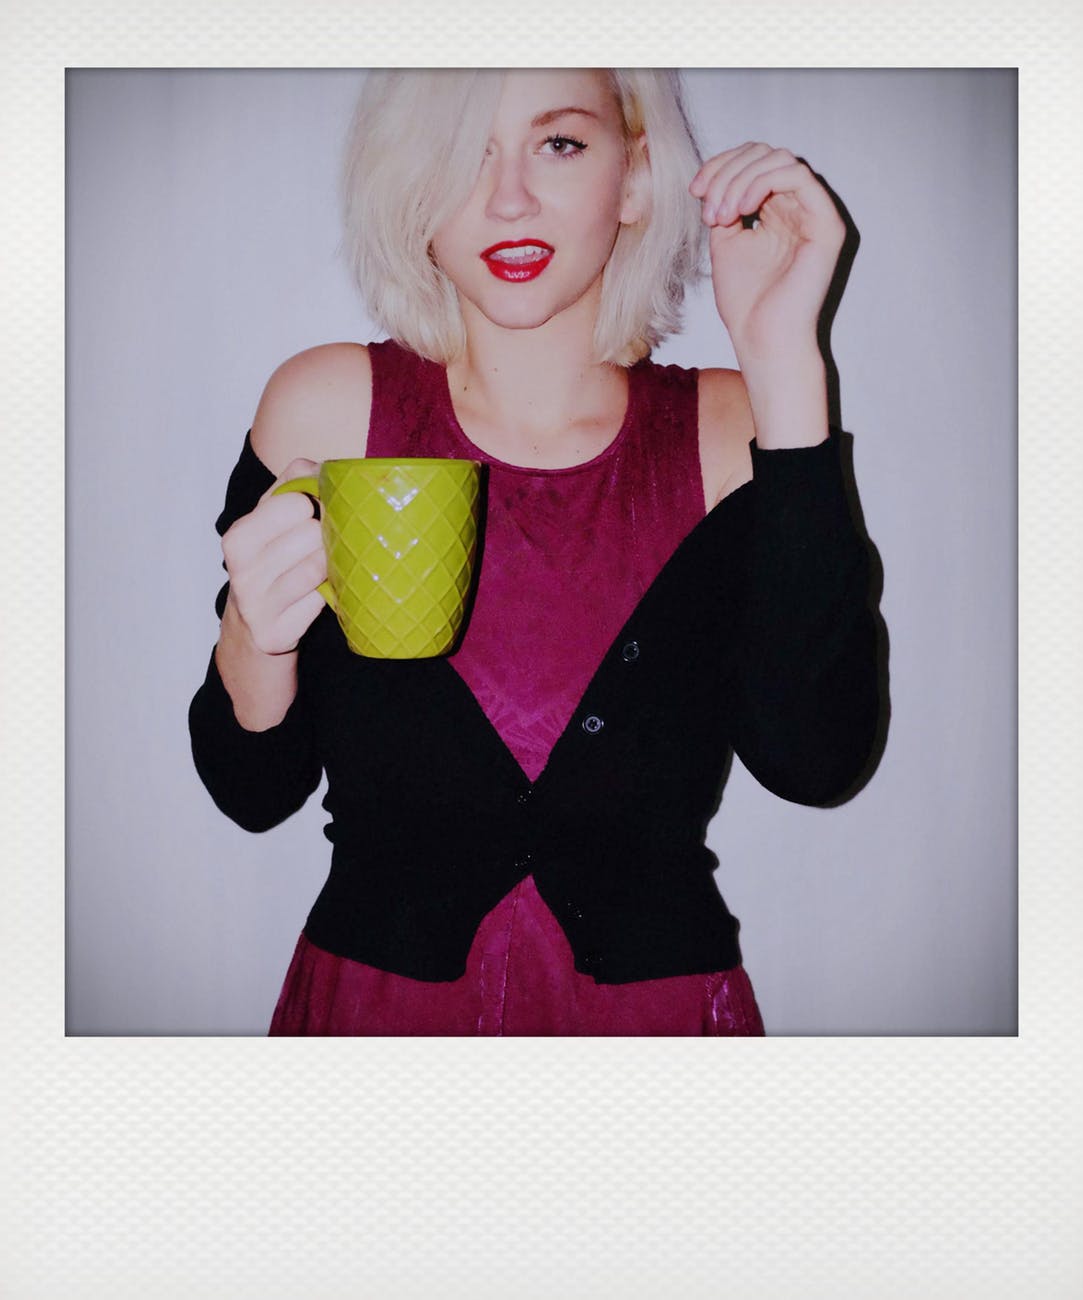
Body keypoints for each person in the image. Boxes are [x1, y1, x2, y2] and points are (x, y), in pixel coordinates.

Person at [188, 69, 881, 1036]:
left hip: (651, 1028)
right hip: (378, 1023)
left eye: (558, 144)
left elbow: (817, 760)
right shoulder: (325, 408)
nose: (507, 199)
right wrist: (253, 635)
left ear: (635, 178)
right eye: (462, 154)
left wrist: (782, 369)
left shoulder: (730, 429)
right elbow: (250, 791)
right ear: (409, 188)